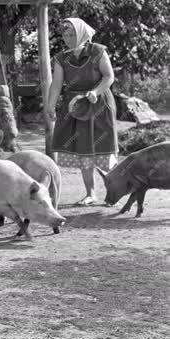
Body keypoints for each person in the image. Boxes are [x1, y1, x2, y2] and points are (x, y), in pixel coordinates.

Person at [45, 17, 118, 206]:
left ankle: (114, 192)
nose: (67, 38)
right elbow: (56, 85)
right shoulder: (61, 58)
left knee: (104, 150)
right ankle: (90, 194)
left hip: (99, 104)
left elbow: (109, 76)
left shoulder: (98, 51)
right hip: (75, 107)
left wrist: (95, 92)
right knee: (84, 150)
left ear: (82, 34)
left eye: (72, 34)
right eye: (65, 35)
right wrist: (50, 105)